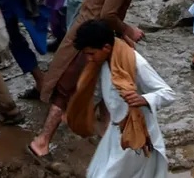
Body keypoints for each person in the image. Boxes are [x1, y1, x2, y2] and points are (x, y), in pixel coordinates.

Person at [28, 0, 159, 161]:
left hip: (93, 34)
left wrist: (121, 35)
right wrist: (128, 30)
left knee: (103, 89)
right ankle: (41, 141)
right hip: (91, 39)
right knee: (65, 92)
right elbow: (108, 14)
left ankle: (106, 137)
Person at [70, 19, 176, 178]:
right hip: (115, 132)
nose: (89, 59)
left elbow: (168, 93)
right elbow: (99, 92)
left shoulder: (135, 62)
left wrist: (144, 99)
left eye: (91, 54)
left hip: (135, 133)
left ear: (106, 48)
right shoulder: (103, 62)